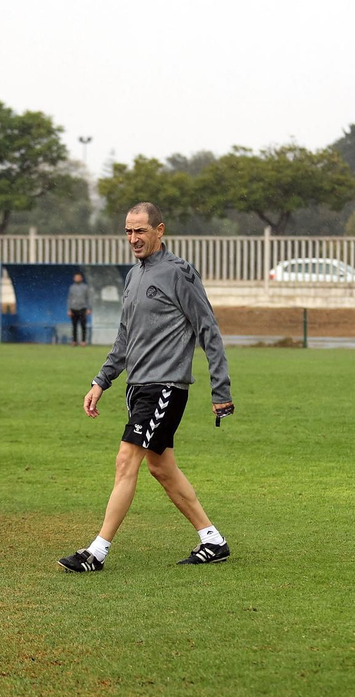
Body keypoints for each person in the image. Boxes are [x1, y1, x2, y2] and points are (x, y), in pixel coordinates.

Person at [59, 202, 235, 573]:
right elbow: (124, 338)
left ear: (160, 230)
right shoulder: (133, 276)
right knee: (161, 467)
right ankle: (212, 540)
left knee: (127, 461)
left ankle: (97, 552)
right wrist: (101, 381)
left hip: (165, 387)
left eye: (140, 230)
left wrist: (221, 390)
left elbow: (209, 330)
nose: (133, 238)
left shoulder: (179, 273)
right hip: (138, 386)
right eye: (128, 231)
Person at [67, 271, 92, 346]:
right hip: (74, 309)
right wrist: (69, 309)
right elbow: (69, 299)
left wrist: (89, 308)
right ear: (74, 278)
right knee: (74, 326)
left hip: (82, 308)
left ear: (81, 278)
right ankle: (74, 341)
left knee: (83, 326)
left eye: (78, 277)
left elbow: (88, 298)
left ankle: (83, 341)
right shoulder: (72, 288)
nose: (77, 279)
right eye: (76, 277)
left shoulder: (85, 287)